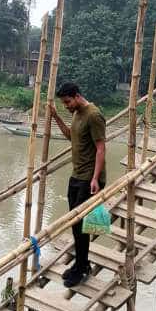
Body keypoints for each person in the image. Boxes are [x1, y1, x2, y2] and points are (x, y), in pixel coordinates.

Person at [49, 82, 106, 287]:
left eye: (67, 102)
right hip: (76, 176)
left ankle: (82, 268)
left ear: (77, 96)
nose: (66, 106)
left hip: (89, 178)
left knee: (81, 225)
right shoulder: (76, 113)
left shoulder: (93, 115)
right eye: (64, 103)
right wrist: (56, 116)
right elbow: (71, 137)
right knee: (75, 224)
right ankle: (81, 263)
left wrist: (95, 178)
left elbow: (101, 149)